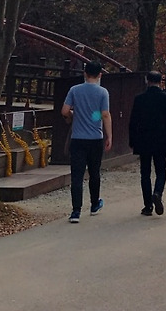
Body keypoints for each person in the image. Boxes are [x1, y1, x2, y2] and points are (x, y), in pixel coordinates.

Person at [61, 61, 112, 223]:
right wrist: (109, 136)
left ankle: (76, 211)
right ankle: (94, 204)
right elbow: (104, 114)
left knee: (77, 175)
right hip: (95, 138)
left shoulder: (75, 90)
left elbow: (64, 111)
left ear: (85, 73)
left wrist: (72, 115)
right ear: (100, 75)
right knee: (94, 172)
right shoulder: (103, 92)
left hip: (77, 138)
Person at [128, 70, 166, 216]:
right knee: (161, 171)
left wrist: (132, 140)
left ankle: (147, 206)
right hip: (161, 139)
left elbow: (133, 122)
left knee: (145, 173)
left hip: (143, 139)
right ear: (161, 81)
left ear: (147, 80)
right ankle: (157, 193)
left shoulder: (139, 99)